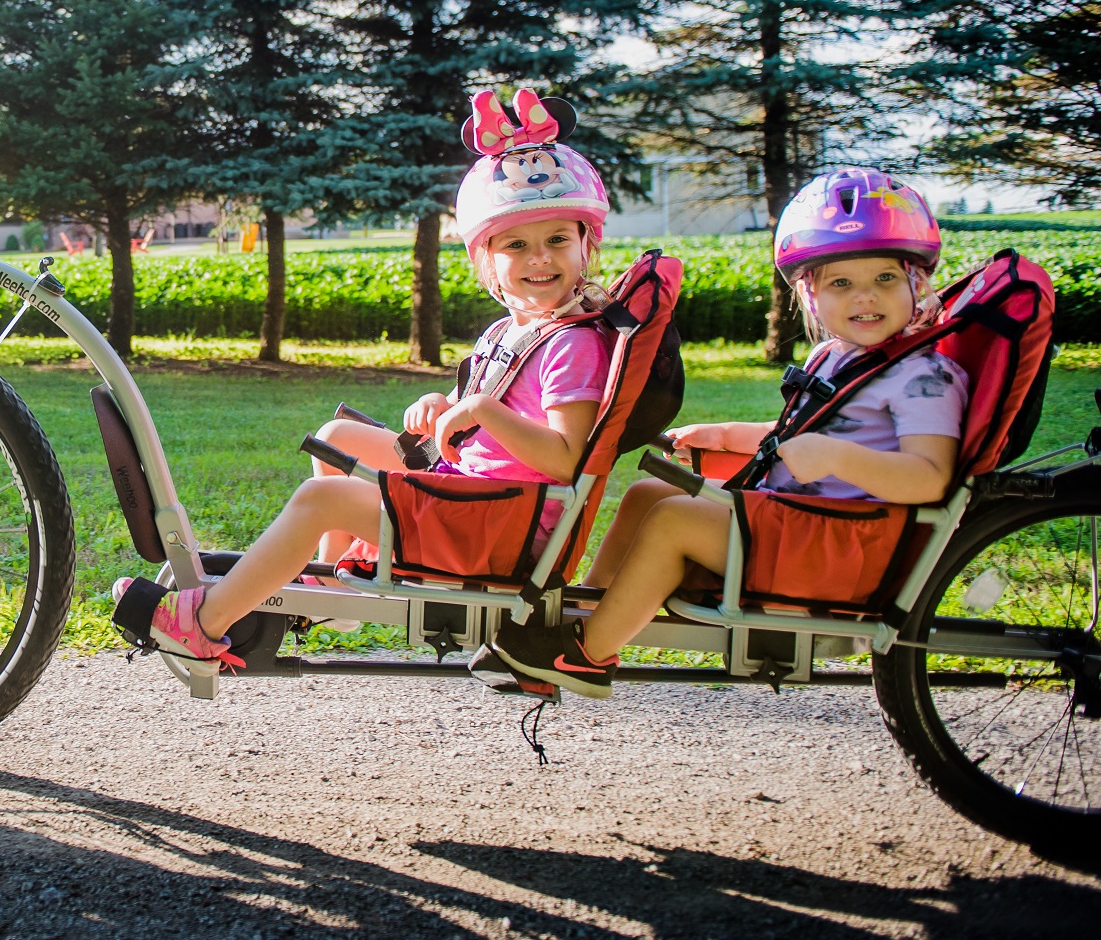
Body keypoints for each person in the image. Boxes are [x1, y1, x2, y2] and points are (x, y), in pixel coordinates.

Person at [111, 88, 612, 668]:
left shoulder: (572, 344)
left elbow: (565, 460)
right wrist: (442, 402)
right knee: (340, 438)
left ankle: (201, 622)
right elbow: (474, 402)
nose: (539, 259)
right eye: (517, 245)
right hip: (477, 498)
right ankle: (332, 582)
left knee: (321, 497)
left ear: (585, 245)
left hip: (500, 528)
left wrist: (478, 414)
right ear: (487, 260)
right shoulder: (513, 330)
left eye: (557, 241)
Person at [493, 167, 964, 699]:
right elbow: (795, 434)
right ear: (811, 296)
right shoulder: (839, 358)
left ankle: (585, 655)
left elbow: (929, 478)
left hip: (842, 548)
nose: (864, 298)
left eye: (884, 279)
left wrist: (835, 457)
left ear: (916, 282)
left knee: (674, 520)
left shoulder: (924, 376)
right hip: (805, 526)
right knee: (652, 493)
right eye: (841, 283)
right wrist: (727, 434)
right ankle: (583, 616)